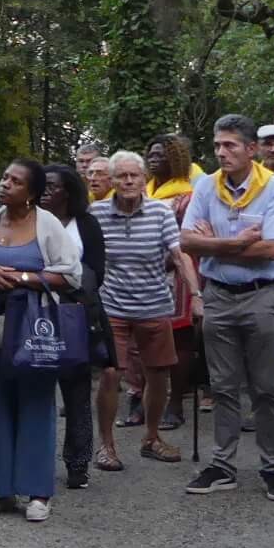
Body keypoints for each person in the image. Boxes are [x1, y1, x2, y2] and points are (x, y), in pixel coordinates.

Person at [181, 115, 274, 502]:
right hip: (218, 294)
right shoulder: (206, 186)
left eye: (230, 145)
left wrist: (213, 243)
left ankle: (272, 466)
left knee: (267, 387)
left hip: (261, 295)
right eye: (217, 145)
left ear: (251, 149)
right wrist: (235, 244)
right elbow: (186, 242)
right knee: (223, 385)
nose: (221, 152)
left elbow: (273, 249)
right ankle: (223, 465)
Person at [0, 161, 83, 522]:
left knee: (37, 407)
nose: (5, 185)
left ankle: (38, 494)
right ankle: (2, 492)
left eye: (15, 182)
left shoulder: (47, 225)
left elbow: (71, 274)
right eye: (4, 178)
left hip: (35, 333)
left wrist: (23, 277)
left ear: (31, 193)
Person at [92, 151, 190, 466]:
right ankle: (106, 446)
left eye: (134, 175)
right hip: (112, 305)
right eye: (122, 176)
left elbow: (178, 255)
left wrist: (196, 293)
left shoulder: (161, 212)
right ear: (112, 181)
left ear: (144, 178)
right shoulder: (97, 213)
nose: (129, 181)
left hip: (154, 304)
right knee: (110, 373)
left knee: (158, 374)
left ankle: (151, 438)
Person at [40, 164, 111, 489]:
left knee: (77, 393)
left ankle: (77, 464)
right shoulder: (31, 220)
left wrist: (60, 283)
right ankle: (37, 461)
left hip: (76, 314)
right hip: (36, 313)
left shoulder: (86, 223)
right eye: (42, 185)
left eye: (51, 186)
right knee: (37, 391)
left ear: (68, 191)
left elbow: (96, 271)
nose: (44, 191)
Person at [144, 133, 202, 431]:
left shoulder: (188, 195)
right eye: (151, 155)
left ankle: (176, 402)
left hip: (177, 273)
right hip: (143, 274)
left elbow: (187, 237)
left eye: (161, 155)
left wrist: (164, 260)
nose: (154, 159)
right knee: (146, 337)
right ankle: (145, 399)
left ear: (176, 159)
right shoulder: (144, 192)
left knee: (180, 339)